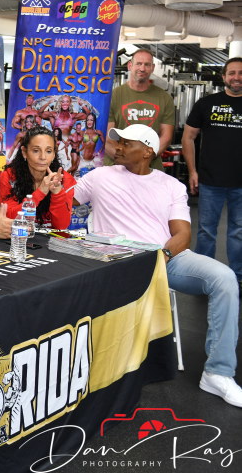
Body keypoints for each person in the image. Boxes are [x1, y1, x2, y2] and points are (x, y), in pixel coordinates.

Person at [74, 124, 241, 408]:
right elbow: (62, 202)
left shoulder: (171, 185)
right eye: (118, 142)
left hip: (164, 258)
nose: (118, 147)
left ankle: (218, 373)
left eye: (126, 143)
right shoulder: (99, 176)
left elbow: (183, 236)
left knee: (224, 278)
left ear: (147, 151)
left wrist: (160, 257)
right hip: (115, 260)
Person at [182, 57, 242, 281]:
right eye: (232, 73)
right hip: (210, 180)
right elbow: (188, 137)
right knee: (206, 231)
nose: (237, 77)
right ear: (224, 76)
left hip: (241, 183)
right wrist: (192, 171)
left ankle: (237, 277)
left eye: (241, 73)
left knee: (239, 232)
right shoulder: (206, 104)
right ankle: (203, 277)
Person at [106, 49, 176, 171]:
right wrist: (128, 162)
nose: (142, 68)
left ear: (152, 68)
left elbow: (166, 137)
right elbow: (107, 138)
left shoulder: (165, 98)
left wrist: (143, 162)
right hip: (116, 169)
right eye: (138, 63)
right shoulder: (112, 96)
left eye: (147, 65)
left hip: (150, 169)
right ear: (130, 65)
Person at [0, 127, 75, 229]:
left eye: (48, 151)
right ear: (24, 152)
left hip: (51, 238)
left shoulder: (64, 179)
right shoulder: (9, 176)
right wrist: (40, 192)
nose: (42, 157)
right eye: (36, 151)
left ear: (54, 154)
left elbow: (61, 226)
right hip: (18, 235)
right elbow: (8, 218)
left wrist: (57, 193)